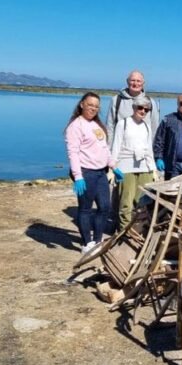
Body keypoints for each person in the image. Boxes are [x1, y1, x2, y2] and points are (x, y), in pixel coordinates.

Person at [65, 92, 124, 253]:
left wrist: (113, 166)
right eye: (90, 105)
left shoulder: (96, 125)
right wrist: (78, 177)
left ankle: (97, 240)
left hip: (100, 173)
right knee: (85, 208)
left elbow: (104, 149)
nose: (93, 109)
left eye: (96, 106)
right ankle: (86, 243)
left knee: (104, 207)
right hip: (86, 173)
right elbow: (73, 153)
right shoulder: (76, 126)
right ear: (82, 104)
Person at [110, 95, 156, 229]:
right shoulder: (123, 124)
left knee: (141, 201)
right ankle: (124, 229)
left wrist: (153, 169)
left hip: (143, 167)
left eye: (146, 110)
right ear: (134, 107)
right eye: (140, 108)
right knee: (126, 201)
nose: (143, 111)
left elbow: (149, 149)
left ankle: (137, 228)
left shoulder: (147, 126)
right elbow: (116, 146)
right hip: (126, 166)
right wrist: (112, 168)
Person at [105, 70, 160, 145]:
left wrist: (152, 149)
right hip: (121, 149)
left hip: (143, 149)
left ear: (143, 83)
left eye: (138, 81)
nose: (135, 83)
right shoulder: (116, 100)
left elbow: (155, 127)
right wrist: (109, 147)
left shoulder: (150, 102)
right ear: (127, 82)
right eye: (133, 80)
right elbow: (110, 126)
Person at [154, 94, 182, 179]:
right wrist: (158, 157)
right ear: (177, 104)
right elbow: (159, 140)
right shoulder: (168, 119)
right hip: (173, 164)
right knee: (171, 190)